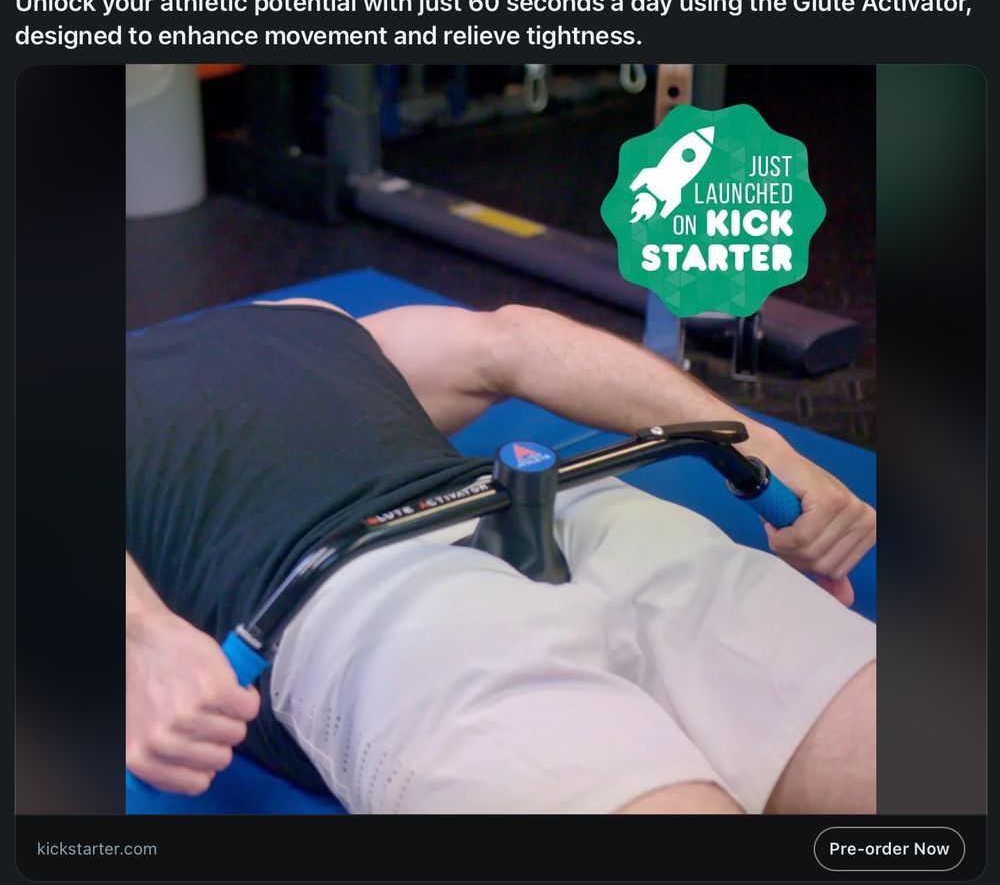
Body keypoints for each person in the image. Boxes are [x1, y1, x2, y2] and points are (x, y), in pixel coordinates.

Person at [126, 297, 876, 814]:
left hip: (440, 569)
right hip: (490, 548)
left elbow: (510, 345)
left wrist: (757, 452)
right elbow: (510, 340)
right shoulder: (299, 323)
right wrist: (147, 640)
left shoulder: (300, 320)